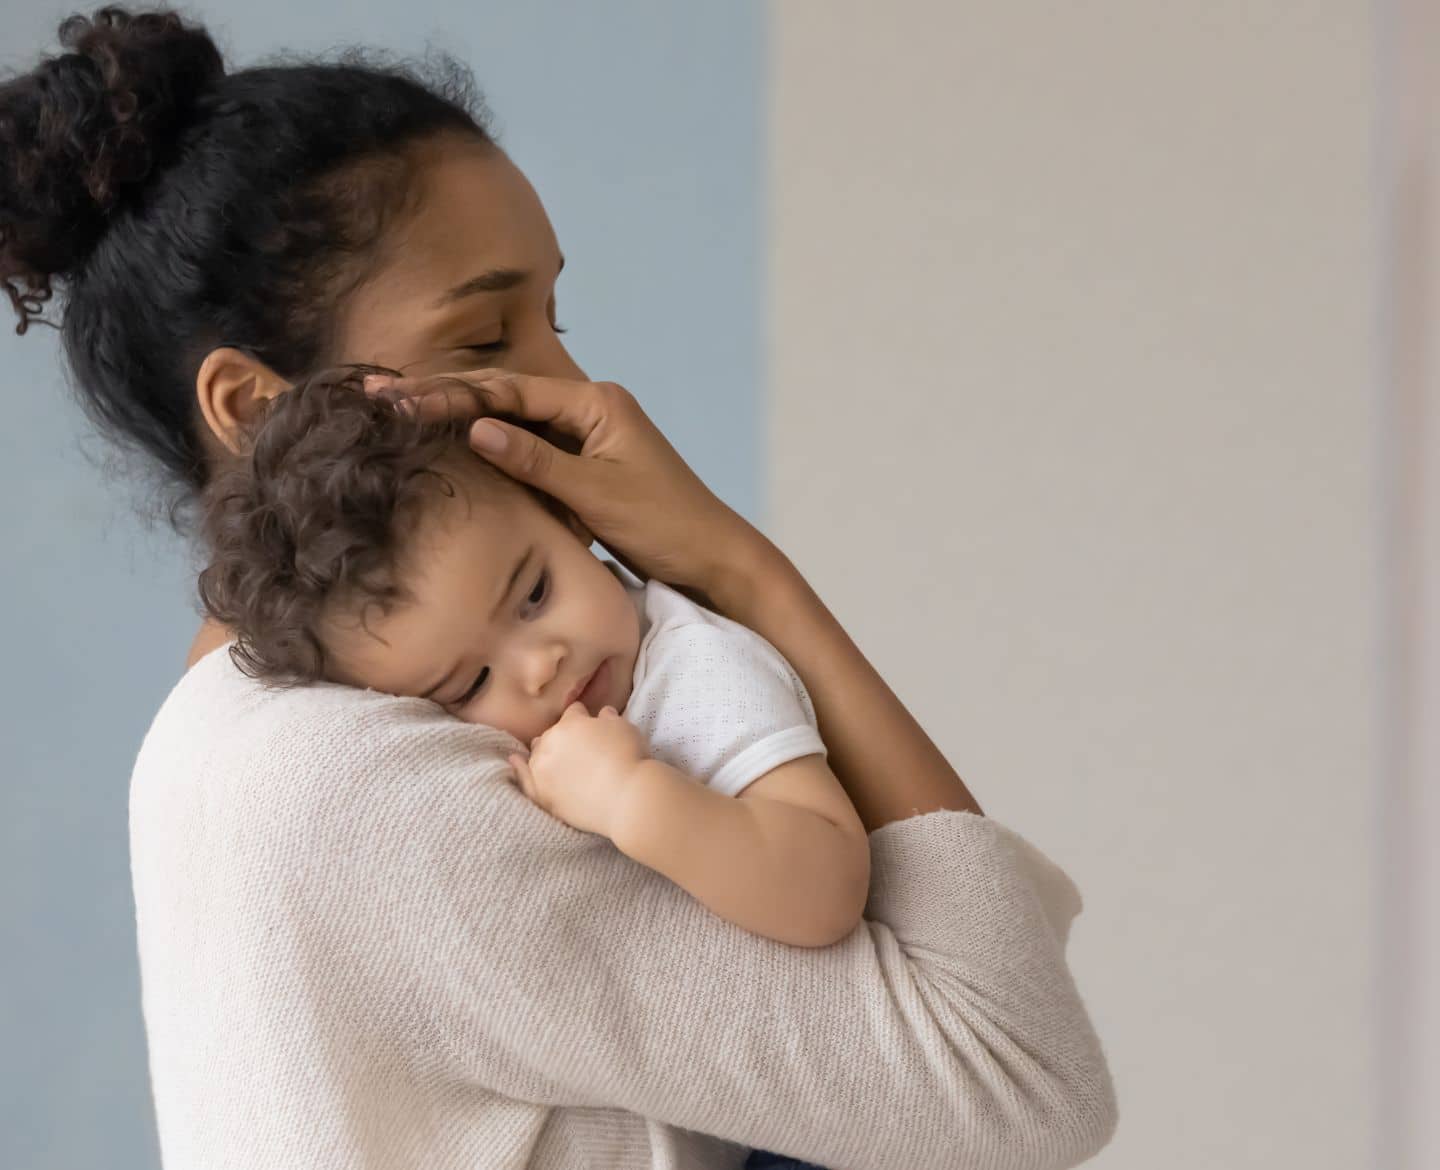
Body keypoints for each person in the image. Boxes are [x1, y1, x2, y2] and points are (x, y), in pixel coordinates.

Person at [0, 8, 1119, 1169]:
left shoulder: (284, 734)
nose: (581, 388)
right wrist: (743, 575)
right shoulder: (356, 788)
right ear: (255, 408)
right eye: (486, 332)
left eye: (556, 318)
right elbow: (1018, 1083)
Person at [196, 372, 870, 951]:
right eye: (472, 683)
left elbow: (828, 886)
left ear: (569, 518)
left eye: (535, 594)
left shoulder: (698, 672)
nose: (541, 666)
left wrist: (632, 799)